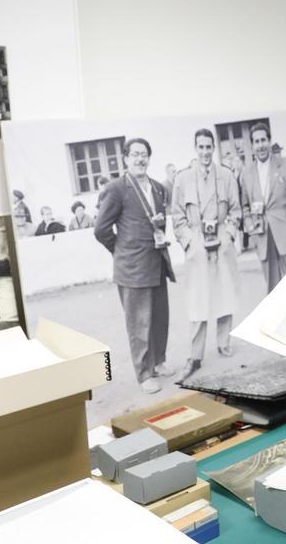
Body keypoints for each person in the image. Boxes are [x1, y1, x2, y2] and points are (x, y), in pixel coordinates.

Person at [94, 137, 176, 394]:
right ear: (126, 159)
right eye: (135, 154)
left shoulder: (157, 187)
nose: (141, 159)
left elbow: (158, 223)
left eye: (145, 154)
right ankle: (144, 374)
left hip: (157, 261)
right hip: (132, 267)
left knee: (160, 317)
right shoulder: (116, 189)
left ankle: (159, 362)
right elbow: (101, 229)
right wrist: (121, 250)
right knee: (139, 323)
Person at [171, 128, 242, 380]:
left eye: (208, 147)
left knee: (224, 293)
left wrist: (229, 235)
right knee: (198, 300)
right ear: (195, 148)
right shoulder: (182, 179)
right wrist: (190, 242)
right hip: (197, 242)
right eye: (200, 147)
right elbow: (177, 217)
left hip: (221, 238)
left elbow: (236, 210)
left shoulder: (226, 175)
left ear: (214, 148)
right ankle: (196, 354)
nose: (204, 152)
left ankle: (223, 342)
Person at [238, 122, 286, 292]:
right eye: (256, 141)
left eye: (263, 140)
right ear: (252, 145)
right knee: (273, 291)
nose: (260, 145)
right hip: (262, 238)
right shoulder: (246, 173)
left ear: (269, 142)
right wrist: (251, 229)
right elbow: (245, 207)